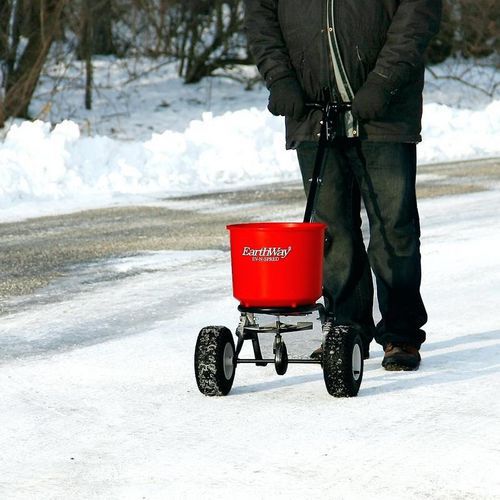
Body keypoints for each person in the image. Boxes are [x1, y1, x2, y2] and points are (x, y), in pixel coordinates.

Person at [244, 0, 442, 370]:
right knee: (331, 233)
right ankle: (346, 332)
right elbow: (260, 17)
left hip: (384, 113)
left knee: (394, 228)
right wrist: (280, 78)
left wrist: (383, 82)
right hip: (311, 111)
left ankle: (400, 334)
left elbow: (418, 14)